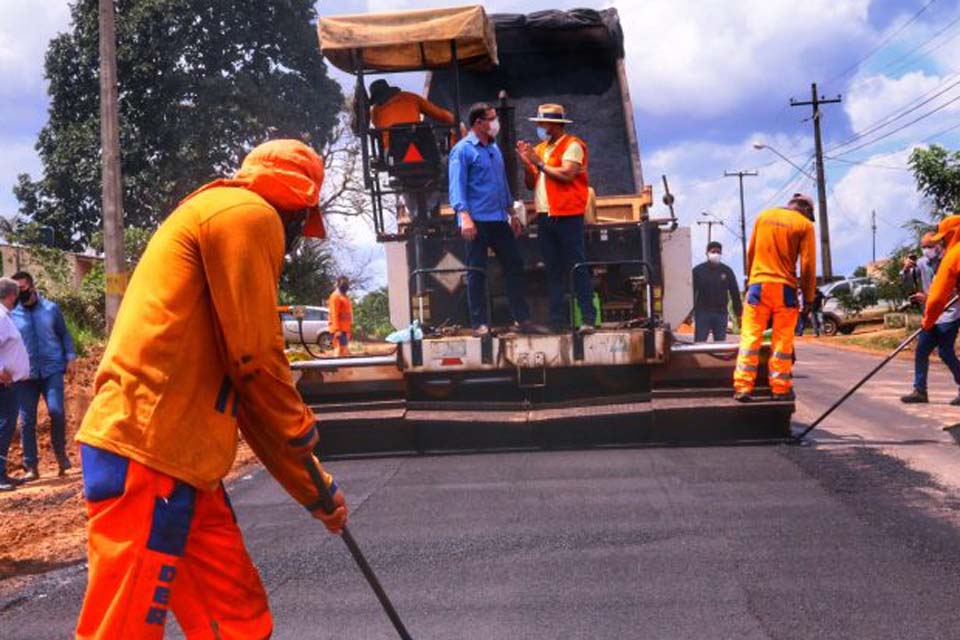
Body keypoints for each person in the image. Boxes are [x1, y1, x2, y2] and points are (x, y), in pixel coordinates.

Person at [74, 140, 347, 639]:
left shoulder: (223, 212)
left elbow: (247, 390)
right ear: (299, 205)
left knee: (236, 616)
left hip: (188, 461)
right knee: (123, 627)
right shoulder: (248, 215)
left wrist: (313, 489)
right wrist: (301, 434)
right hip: (147, 450)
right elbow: (257, 359)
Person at [449, 102, 532, 336]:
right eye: (491, 119)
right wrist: (464, 216)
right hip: (476, 220)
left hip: (498, 219)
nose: (495, 123)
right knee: (477, 270)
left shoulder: (494, 150)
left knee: (514, 263)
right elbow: (456, 185)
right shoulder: (463, 150)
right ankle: (479, 323)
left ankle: (521, 317)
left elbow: (502, 184)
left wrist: (512, 213)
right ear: (478, 123)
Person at [517, 103, 595, 334]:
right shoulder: (540, 149)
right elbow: (531, 183)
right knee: (552, 269)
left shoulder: (573, 145)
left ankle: (587, 318)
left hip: (568, 215)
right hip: (545, 217)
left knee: (577, 267)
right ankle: (557, 320)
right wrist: (526, 164)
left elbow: (567, 175)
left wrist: (539, 164)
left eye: (542, 123)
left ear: (554, 125)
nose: (539, 127)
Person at [734, 193, 817, 402]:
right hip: (785, 290)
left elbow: (751, 252)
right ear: (806, 210)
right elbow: (807, 266)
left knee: (750, 337)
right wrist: (808, 300)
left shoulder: (763, 217)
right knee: (782, 342)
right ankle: (780, 389)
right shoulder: (805, 225)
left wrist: (751, 279)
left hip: (757, 286)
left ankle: (743, 387)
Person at [10, 270, 76, 479]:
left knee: (56, 411)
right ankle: (31, 467)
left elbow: (63, 333)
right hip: (25, 375)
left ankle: (61, 456)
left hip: (51, 369)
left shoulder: (51, 309)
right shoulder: (11, 315)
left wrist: (71, 356)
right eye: (15, 290)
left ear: (31, 286)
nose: (19, 294)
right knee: (27, 421)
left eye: (22, 289)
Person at [903, 225, 960, 404]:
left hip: (949, 314)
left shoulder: (951, 260)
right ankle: (920, 390)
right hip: (930, 316)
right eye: (923, 247)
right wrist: (906, 270)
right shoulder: (922, 263)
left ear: (938, 245)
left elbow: (949, 294)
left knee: (945, 352)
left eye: (929, 246)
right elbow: (906, 282)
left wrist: (927, 298)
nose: (926, 250)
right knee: (921, 351)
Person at [0, 277, 30, 491]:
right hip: (3, 384)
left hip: (9, 384)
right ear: (11, 295)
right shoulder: (0, 317)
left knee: (6, 427)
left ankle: (2, 473)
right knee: (3, 427)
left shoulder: (4, 316)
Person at [691, 241, 742, 342]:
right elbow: (690, 293)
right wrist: (688, 313)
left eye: (718, 252)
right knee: (699, 343)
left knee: (719, 345)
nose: (716, 254)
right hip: (702, 313)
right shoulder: (697, 271)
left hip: (721, 314)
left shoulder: (727, 271)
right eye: (713, 251)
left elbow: (735, 293)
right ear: (707, 253)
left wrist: (738, 312)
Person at [328, 276, 353, 358]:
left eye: (346, 283)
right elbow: (334, 313)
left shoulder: (345, 297)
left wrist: (349, 328)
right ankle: (337, 368)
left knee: (344, 351)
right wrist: (337, 330)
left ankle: (343, 370)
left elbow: (348, 313)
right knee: (339, 350)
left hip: (345, 329)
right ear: (338, 284)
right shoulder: (335, 296)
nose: (345, 285)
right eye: (343, 283)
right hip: (338, 329)